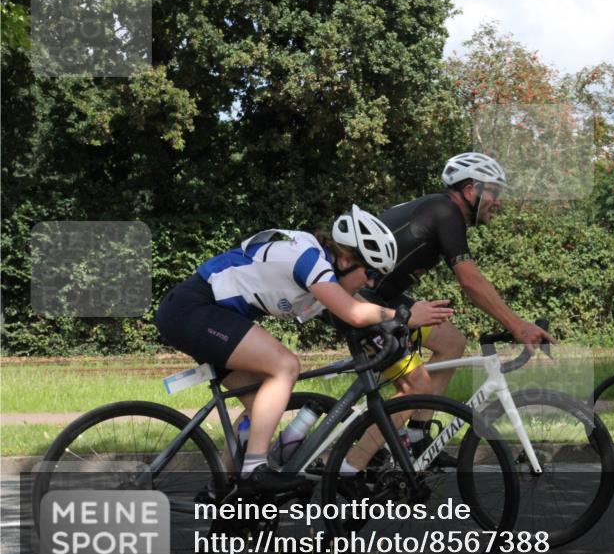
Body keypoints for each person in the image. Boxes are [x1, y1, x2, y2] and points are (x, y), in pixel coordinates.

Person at [154, 206, 453, 493]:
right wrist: (405, 315)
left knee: (260, 406)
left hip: (206, 315)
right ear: (346, 260)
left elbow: (357, 307)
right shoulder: (310, 260)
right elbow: (353, 312)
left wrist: (393, 329)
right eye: (371, 271)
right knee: (285, 366)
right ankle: (254, 471)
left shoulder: (324, 272)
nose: (372, 281)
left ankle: (223, 491)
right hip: (194, 310)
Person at [360, 152, 555, 462]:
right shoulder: (445, 211)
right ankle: (351, 464)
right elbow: (470, 281)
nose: (498, 202)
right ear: (470, 190)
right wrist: (518, 326)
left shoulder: (439, 209)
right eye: (494, 192)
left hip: (382, 298)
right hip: (358, 301)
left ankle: (418, 438)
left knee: (451, 342)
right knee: (415, 387)